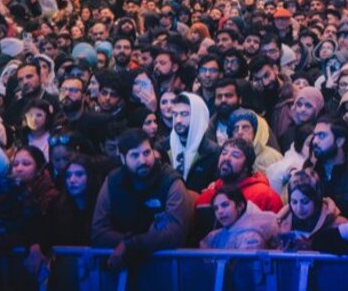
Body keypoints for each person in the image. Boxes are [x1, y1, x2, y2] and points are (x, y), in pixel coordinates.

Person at [91, 130, 193, 270]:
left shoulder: (171, 181)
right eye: (134, 155)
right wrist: (129, 242)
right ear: (122, 158)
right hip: (122, 268)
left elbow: (175, 234)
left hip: (167, 266)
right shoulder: (112, 182)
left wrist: (132, 244)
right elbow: (99, 233)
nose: (143, 161)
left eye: (147, 153)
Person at [195, 138, 283, 214]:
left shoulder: (265, 195)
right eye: (224, 153)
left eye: (235, 155)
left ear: (247, 166)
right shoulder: (207, 196)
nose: (226, 158)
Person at [275, 168, 346, 252]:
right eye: (294, 202)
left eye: (305, 202)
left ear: (317, 200)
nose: (299, 208)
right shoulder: (280, 224)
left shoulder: (339, 225)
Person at [200, 185, 278, 250]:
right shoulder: (214, 236)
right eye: (216, 208)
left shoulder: (250, 237)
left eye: (225, 205)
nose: (220, 211)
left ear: (240, 206)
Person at [169, 92, 219, 192]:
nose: (178, 120)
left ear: (198, 117)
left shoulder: (214, 152)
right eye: (175, 114)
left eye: (184, 114)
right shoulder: (163, 147)